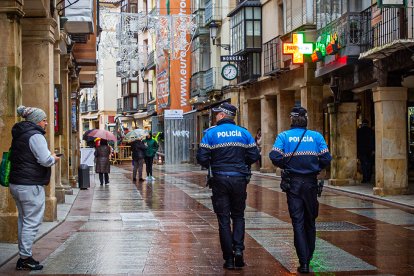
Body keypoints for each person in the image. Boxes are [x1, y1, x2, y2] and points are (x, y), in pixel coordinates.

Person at [196, 102, 260, 270]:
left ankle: (229, 259)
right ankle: (238, 249)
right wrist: (241, 163)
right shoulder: (244, 133)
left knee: (223, 219)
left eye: (217, 114)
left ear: (222, 115)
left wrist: (213, 162)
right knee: (238, 216)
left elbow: (201, 158)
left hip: (219, 179)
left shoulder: (210, 134)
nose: (216, 116)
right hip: (239, 179)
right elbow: (254, 155)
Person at [269, 106, 332, 274]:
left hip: (293, 184)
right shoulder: (316, 136)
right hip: (311, 183)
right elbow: (326, 158)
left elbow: (274, 156)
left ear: (291, 119)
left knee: (297, 222)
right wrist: (314, 167)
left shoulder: (283, 136)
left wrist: (287, 165)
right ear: (306, 119)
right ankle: (308, 257)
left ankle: (303, 262)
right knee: (310, 221)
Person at [9, 105, 60, 271]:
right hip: (30, 185)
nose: (46, 123)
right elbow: (45, 160)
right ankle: (24, 258)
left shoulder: (19, 134)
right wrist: (53, 157)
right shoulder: (35, 136)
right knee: (31, 222)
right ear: (37, 121)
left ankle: (23, 255)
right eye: (44, 120)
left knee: (23, 220)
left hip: (17, 183)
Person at [357, 119, 375, 183]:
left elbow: (357, 142)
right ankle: (369, 178)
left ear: (362, 123)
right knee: (369, 164)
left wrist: (357, 151)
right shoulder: (371, 131)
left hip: (362, 150)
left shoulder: (359, 131)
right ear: (368, 123)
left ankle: (365, 178)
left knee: (363, 164)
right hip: (370, 150)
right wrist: (373, 149)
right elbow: (373, 141)